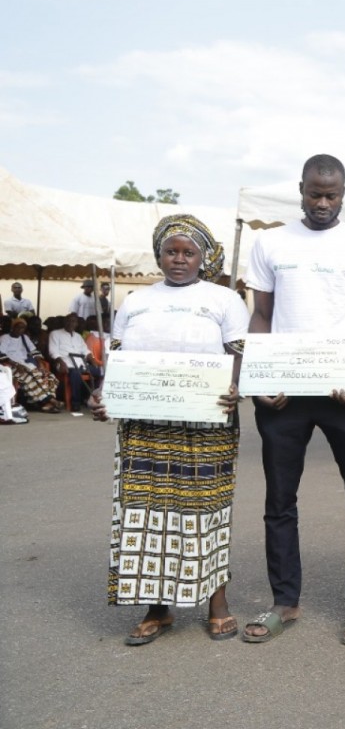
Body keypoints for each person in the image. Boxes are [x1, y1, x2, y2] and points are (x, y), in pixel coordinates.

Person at [242, 154, 345, 645]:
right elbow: (261, 315)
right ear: (300, 189)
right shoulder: (271, 242)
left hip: (341, 390)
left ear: (344, 193)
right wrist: (261, 376)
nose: (323, 203)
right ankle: (285, 602)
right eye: (315, 194)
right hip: (284, 393)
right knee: (279, 501)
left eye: (332, 195)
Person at [90, 215, 248, 645]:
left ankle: (217, 602)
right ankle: (157, 608)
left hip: (206, 424)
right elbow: (117, 365)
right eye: (171, 251)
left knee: (205, 513)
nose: (179, 259)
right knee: (147, 515)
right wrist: (105, 396)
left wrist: (236, 389)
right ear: (159, 254)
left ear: (202, 257)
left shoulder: (224, 300)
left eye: (188, 252)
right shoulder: (137, 301)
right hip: (145, 427)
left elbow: (239, 356)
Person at [0, 317, 62, 412]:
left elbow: (34, 351)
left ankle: (48, 403)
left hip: (25, 364)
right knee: (33, 376)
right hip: (11, 366)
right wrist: (16, 365)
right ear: (13, 327)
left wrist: (40, 363)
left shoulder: (24, 338)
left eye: (22, 328)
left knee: (50, 376)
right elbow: (2, 354)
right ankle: (50, 400)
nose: (20, 330)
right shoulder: (5, 338)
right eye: (18, 327)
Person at [48, 312, 101, 411]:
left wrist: (92, 360)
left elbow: (85, 351)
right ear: (65, 322)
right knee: (75, 374)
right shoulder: (55, 334)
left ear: (77, 324)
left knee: (99, 372)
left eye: (74, 321)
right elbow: (53, 351)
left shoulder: (78, 336)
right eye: (69, 321)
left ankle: (91, 398)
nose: (71, 323)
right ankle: (75, 402)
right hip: (65, 364)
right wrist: (61, 363)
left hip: (81, 364)